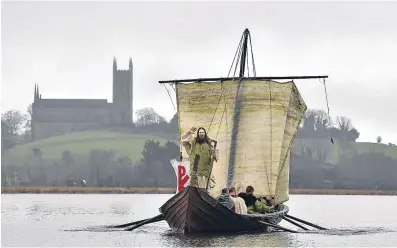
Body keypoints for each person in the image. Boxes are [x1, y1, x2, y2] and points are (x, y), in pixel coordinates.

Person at [181, 126, 218, 191]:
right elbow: (183, 139)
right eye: (200, 132)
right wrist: (188, 133)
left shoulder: (209, 143)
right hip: (196, 169)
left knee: (205, 189)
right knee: (196, 188)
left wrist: (214, 154)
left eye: (203, 132)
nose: (201, 133)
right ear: (198, 133)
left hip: (206, 170)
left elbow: (215, 156)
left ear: (205, 133)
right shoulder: (194, 141)